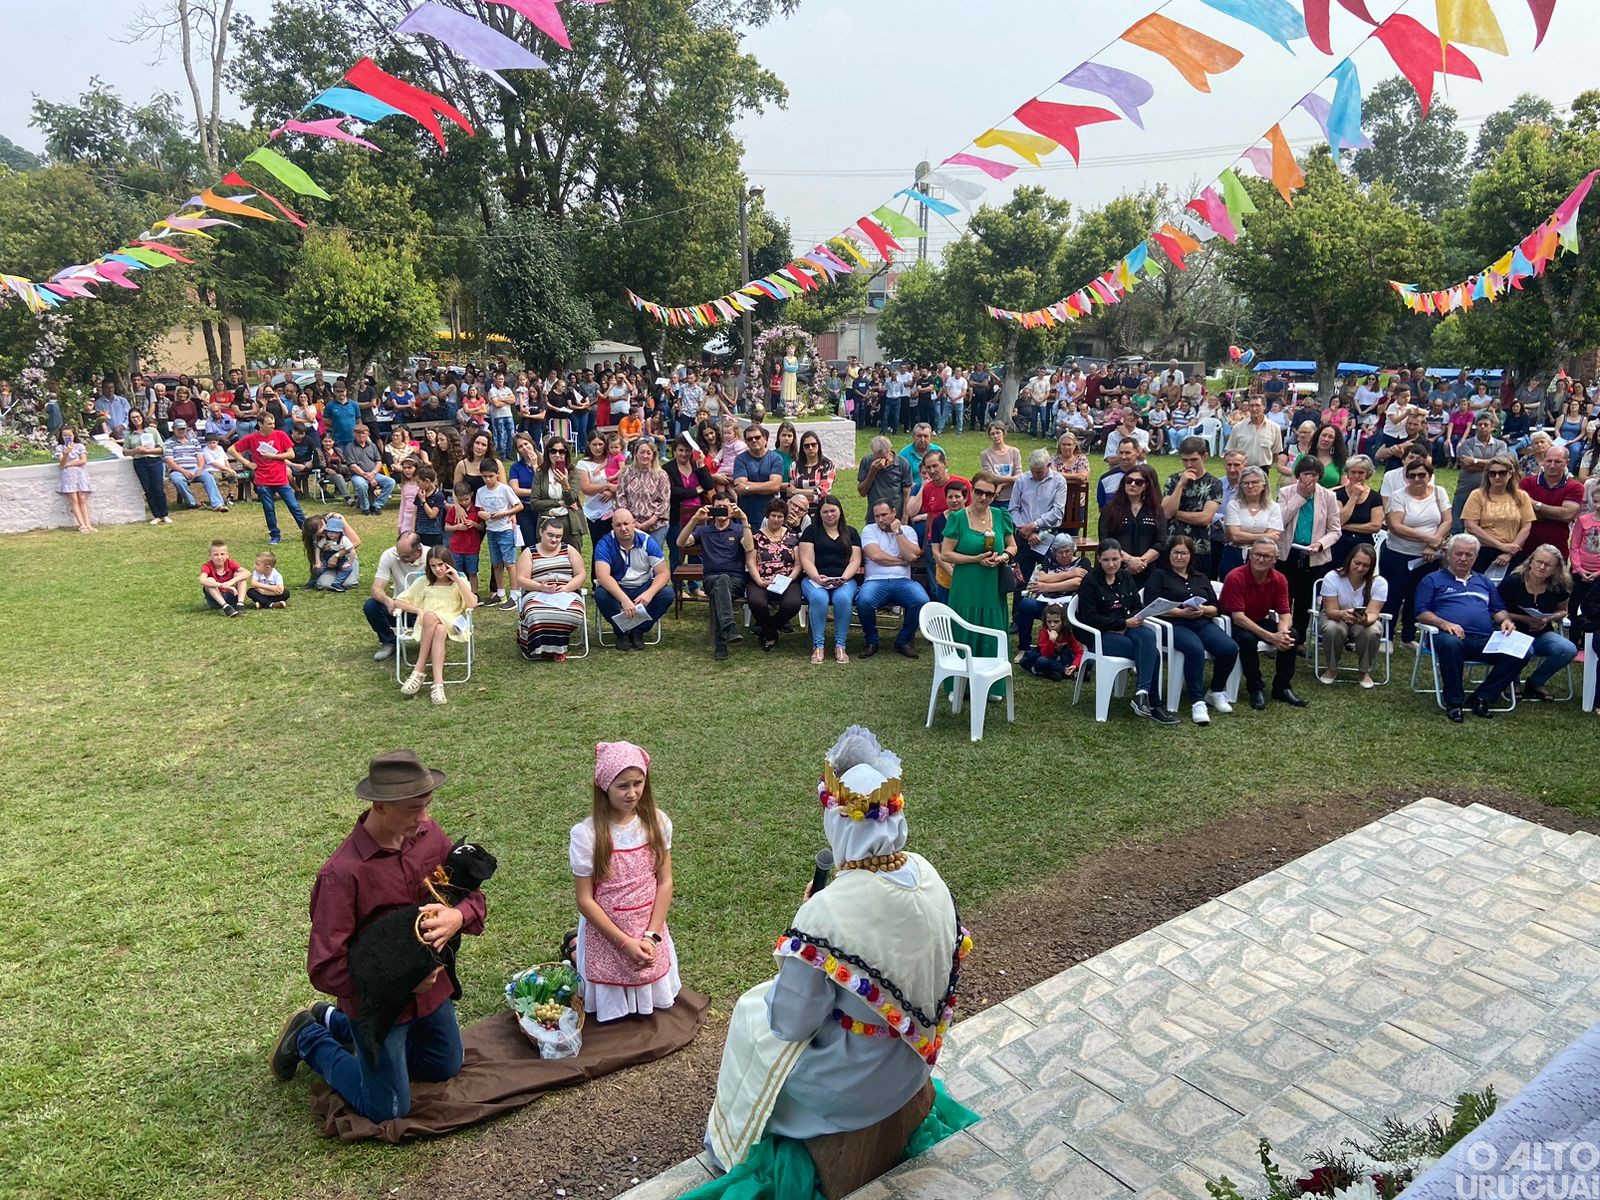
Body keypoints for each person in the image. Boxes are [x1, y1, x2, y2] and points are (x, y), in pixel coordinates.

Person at [702, 727, 969, 1175]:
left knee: (751, 1015)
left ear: (838, 821)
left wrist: (810, 917)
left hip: (856, 1084)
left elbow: (791, 1022)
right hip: (914, 1062)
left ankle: (728, 1147)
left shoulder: (825, 913)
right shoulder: (928, 873)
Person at [270, 750, 485, 1119]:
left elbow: (470, 897)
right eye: (413, 810)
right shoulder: (341, 874)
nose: (425, 818)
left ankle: (332, 1022)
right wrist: (396, 984)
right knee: (389, 1109)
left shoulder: (429, 835)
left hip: (432, 992)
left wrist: (456, 916)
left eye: (427, 805)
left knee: (445, 1066)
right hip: (379, 1007)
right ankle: (308, 1036)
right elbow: (324, 968)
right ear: (380, 806)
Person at [572, 741, 680, 1023]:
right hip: (609, 932)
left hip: (648, 925)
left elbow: (665, 882)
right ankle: (574, 949)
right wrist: (625, 944)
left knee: (649, 976)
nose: (632, 793)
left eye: (638, 783)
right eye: (622, 786)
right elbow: (585, 900)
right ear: (604, 786)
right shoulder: (587, 836)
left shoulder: (657, 823)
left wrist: (651, 937)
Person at [1414, 534, 1526, 722]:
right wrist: (1445, 624)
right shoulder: (1432, 580)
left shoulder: (1484, 582)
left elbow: (1497, 609)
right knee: (1452, 644)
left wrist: (1505, 621)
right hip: (1447, 636)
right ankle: (1454, 702)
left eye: (1469, 555)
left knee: (1522, 650)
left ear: (1475, 557)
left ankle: (1483, 696)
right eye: (1459, 554)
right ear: (1448, 555)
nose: (1463, 559)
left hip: (1483, 638)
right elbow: (1421, 612)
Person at [1076, 539, 1174, 724]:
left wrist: (1135, 618)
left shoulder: (1125, 577)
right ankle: (1154, 704)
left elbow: (1137, 605)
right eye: (1106, 560)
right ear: (1099, 559)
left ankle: (1142, 695)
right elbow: (1089, 618)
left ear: (1122, 557)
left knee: (1149, 636)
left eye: (1115, 559)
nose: (1111, 564)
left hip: (1126, 628)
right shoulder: (1090, 581)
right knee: (1153, 654)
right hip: (1100, 634)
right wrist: (1120, 623)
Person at [1142, 535, 1237, 724]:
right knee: (1194, 649)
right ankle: (1197, 701)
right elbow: (1150, 605)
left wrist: (1204, 610)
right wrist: (1179, 613)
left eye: (1183, 553)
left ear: (1190, 555)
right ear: (1168, 555)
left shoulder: (1200, 577)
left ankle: (1216, 690)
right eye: (1175, 553)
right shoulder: (1159, 576)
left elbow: (1217, 607)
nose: (1179, 557)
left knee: (1229, 648)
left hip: (1201, 621)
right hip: (1172, 625)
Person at [940, 470, 1018, 681]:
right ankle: (959, 682)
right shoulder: (957, 518)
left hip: (992, 587)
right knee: (963, 630)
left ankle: (992, 683)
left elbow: (1012, 546)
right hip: (966, 585)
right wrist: (975, 559)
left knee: (992, 630)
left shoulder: (1001, 516)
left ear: (995, 496)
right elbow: (946, 553)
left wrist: (1002, 558)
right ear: (971, 491)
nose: (983, 497)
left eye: (989, 494)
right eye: (979, 492)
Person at [1221, 538, 1308, 710]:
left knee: (1292, 636)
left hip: (1259, 619)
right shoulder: (1235, 577)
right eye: (1257, 555)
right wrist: (1271, 637)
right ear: (1250, 555)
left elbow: (1285, 612)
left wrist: (1282, 632)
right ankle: (1255, 687)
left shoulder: (1279, 579)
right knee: (1247, 640)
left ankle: (1282, 687)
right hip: (1233, 622)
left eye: (1266, 556)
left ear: (1275, 559)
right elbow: (1238, 617)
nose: (1261, 560)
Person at [395, 546, 478, 704]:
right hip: (428, 626)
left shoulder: (458, 582)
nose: (438, 569)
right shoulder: (424, 582)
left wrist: (457, 579)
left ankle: (418, 671)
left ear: (448, 563)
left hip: (452, 623)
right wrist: (418, 610)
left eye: (441, 564)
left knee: (433, 617)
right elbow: (398, 601)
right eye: (433, 565)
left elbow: (472, 604)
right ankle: (438, 685)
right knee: (437, 627)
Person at [1381, 458, 1450, 646]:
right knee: (1394, 595)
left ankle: (1409, 635)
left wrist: (1433, 545)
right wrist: (1428, 539)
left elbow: (1447, 521)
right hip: (1398, 554)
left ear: (1430, 475)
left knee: (1418, 595)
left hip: (1428, 557)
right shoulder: (1398, 496)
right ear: (1406, 477)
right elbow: (1396, 526)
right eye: (1412, 475)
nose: (1417, 479)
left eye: (1422, 475)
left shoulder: (1439, 492)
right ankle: (1386, 636)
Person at [1277, 456, 1343, 649]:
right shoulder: (1286, 492)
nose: (1309, 479)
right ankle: (1282, 635)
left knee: (1305, 598)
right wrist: (1300, 498)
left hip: (1313, 555)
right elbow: (1279, 520)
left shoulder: (1328, 497)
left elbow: (1335, 530)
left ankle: (1299, 641)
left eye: (1314, 475)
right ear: (1298, 475)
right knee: (1284, 597)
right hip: (1288, 553)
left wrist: (1321, 544)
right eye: (1306, 474)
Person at [1499, 544, 1576, 702]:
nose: (1542, 567)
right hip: (1513, 631)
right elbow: (1496, 610)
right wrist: (1523, 618)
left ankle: (1535, 682)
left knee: (1568, 649)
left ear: (1555, 569)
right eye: (1538, 561)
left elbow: (1562, 610)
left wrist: (1548, 618)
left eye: (1548, 565)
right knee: (1521, 648)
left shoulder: (1558, 585)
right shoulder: (1513, 581)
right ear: (1531, 562)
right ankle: (1511, 682)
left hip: (1541, 632)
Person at [679, 498, 754, 660]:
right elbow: (681, 542)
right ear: (711, 509)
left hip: (736, 581)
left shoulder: (739, 529)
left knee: (724, 581)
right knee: (721, 580)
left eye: (725, 507)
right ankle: (729, 628)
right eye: (718, 507)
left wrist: (744, 519)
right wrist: (694, 519)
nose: (721, 510)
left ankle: (722, 639)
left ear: (732, 509)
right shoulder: (703, 531)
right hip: (711, 579)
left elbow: (749, 548)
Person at [593, 508, 674, 649]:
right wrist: (624, 599)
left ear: (634, 523)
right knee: (601, 595)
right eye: (618, 525)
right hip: (618, 587)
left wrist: (649, 593)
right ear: (612, 526)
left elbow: (663, 573)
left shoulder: (647, 541)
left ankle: (638, 631)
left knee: (667, 594)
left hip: (643, 586)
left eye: (626, 523)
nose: (623, 528)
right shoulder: (604, 543)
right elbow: (602, 575)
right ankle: (621, 632)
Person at [856, 501, 927, 659]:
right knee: (864, 601)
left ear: (894, 513)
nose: (880, 519)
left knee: (921, 600)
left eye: (884, 515)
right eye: (877, 516)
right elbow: (876, 556)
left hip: (902, 581)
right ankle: (871, 641)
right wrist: (902, 561)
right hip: (875, 581)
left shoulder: (907, 530)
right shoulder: (869, 530)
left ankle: (903, 641)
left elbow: (913, 555)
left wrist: (898, 532)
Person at [798, 495, 862, 665]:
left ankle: (840, 645)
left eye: (833, 510)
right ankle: (818, 646)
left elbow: (855, 560)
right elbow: (806, 560)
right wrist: (817, 577)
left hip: (844, 579)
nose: (829, 514)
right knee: (819, 598)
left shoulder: (851, 532)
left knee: (842, 599)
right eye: (825, 511)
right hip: (814, 579)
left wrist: (844, 578)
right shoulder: (811, 532)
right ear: (819, 513)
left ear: (840, 511)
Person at [515, 514, 587, 662]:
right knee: (535, 612)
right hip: (537, 593)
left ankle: (555, 647)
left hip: (566, 593)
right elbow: (521, 579)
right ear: (541, 532)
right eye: (550, 535)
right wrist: (540, 587)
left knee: (573, 611)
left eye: (558, 536)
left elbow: (581, 574)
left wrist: (567, 588)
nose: (554, 540)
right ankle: (545, 648)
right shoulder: (529, 552)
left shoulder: (569, 550)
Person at [1317, 543, 1387, 687]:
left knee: (1373, 631)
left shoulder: (1379, 583)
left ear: (1372, 567)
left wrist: (1364, 620)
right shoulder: (1332, 577)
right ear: (1349, 560)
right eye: (1357, 563)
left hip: (1362, 620)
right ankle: (1332, 668)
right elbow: (1330, 611)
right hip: (1335, 616)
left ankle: (1364, 671)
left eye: (1366, 565)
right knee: (1332, 629)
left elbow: (1374, 613)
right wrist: (1343, 614)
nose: (1360, 568)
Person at [746, 498, 804, 652]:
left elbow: (798, 564)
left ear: (784, 518)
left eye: (780, 516)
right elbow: (751, 562)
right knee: (756, 603)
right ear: (767, 516)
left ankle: (768, 630)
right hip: (761, 579)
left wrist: (789, 579)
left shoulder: (792, 537)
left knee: (793, 605)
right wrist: (759, 581)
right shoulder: (756, 537)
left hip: (787, 579)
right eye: (773, 515)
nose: (776, 519)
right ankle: (771, 634)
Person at [1462, 455, 1533, 575]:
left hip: (1512, 552)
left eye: (1502, 473)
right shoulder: (1477, 495)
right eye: (1492, 473)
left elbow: (1526, 527)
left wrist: (1509, 552)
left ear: (1510, 474)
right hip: (1483, 551)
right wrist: (1501, 546)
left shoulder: (1522, 496)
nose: (1497, 477)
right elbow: (1470, 525)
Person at [364, 533, 426, 661]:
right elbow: (376, 588)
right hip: (400, 608)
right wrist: (387, 601)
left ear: (418, 550)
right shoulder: (389, 555)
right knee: (371, 606)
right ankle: (389, 641)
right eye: (398, 554)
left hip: (426, 610)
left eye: (406, 556)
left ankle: (433, 639)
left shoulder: (432, 556)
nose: (400, 559)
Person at [1098, 465, 1166, 582]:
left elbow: (1161, 541)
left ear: (1146, 486)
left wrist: (1141, 563)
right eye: (1129, 481)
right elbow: (1105, 539)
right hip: (1117, 569)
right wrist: (1129, 560)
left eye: (1138, 482)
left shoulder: (1156, 510)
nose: (1132, 484)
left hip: (1148, 569)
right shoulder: (1110, 509)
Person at [1162, 438, 1223, 566]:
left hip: (1199, 547)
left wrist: (1176, 513)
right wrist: (1180, 485)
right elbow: (1167, 513)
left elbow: (1205, 518)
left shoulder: (1214, 483)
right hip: (1172, 546)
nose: (1189, 465)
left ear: (1205, 456)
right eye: (1185, 460)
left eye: (1194, 460)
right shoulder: (1173, 480)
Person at [1010, 450, 1068, 577]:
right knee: (1021, 580)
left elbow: (1057, 512)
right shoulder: (1021, 480)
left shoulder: (1059, 481)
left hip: (1049, 536)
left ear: (1048, 465)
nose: (1035, 475)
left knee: (1049, 577)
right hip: (1023, 535)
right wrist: (1026, 531)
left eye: (1039, 472)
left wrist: (1035, 525)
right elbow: (1013, 509)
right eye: (1033, 471)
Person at [1522, 443, 1585, 559]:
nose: (1552, 465)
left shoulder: (1575, 487)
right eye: (1549, 461)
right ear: (1543, 461)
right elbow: (1521, 512)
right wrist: (1555, 513)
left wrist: (1536, 505)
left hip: (1557, 552)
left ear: (1567, 462)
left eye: (1557, 462)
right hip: (1524, 549)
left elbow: (1567, 515)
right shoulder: (1527, 483)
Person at [475, 458, 522, 610]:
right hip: (491, 530)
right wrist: (483, 515)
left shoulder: (504, 489)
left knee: (510, 563)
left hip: (505, 530)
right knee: (496, 563)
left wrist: (504, 513)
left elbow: (519, 506)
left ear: (497, 474)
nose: (488, 479)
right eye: (485, 476)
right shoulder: (481, 491)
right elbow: (479, 510)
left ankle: (515, 594)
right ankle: (500, 594)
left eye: (490, 476)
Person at [164, 420, 228, 512]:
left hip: (195, 468)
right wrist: (184, 471)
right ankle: (193, 502)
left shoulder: (194, 441)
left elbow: (200, 457)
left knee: (208, 478)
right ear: (173, 430)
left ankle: (218, 504)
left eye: (183, 429)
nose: (181, 431)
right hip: (177, 470)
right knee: (178, 480)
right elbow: (169, 461)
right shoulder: (168, 443)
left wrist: (200, 468)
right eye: (179, 429)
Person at [732, 424, 786, 530]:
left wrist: (747, 486)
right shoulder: (740, 459)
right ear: (746, 442)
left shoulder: (776, 458)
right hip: (746, 516)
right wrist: (767, 485)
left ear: (764, 438)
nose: (754, 440)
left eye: (757, 437)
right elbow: (739, 487)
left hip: (769, 517)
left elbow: (775, 486)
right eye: (749, 439)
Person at [614, 439, 670, 538]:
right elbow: (621, 497)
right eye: (642, 452)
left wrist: (650, 522)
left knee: (653, 554)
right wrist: (631, 520)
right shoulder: (626, 473)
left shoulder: (661, 475)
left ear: (653, 455)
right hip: (631, 524)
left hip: (656, 525)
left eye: (649, 453)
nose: (645, 456)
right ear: (636, 454)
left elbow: (664, 501)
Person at [123, 408, 171, 525]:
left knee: (158, 488)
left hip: (154, 460)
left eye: (137, 416)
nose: (136, 419)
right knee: (148, 489)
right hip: (140, 462)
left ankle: (164, 514)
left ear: (142, 416)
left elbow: (162, 449)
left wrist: (149, 450)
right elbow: (125, 451)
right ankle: (156, 515)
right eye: (133, 417)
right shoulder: (129, 435)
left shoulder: (152, 431)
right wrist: (135, 450)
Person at [856, 435, 913, 521]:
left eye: (885, 457)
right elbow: (862, 492)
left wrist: (905, 517)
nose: (882, 461)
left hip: (896, 516)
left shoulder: (903, 464)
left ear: (890, 450)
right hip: (875, 517)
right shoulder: (867, 461)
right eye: (877, 457)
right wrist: (872, 471)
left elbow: (907, 493)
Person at [445, 483, 483, 598]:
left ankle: (474, 594)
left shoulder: (477, 510)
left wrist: (474, 524)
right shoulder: (453, 510)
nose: (464, 502)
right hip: (456, 548)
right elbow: (446, 527)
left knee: (472, 572)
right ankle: (458, 593)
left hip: (472, 547)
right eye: (461, 500)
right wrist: (458, 527)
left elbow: (482, 527)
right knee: (457, 573)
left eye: (466, 499)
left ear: (471, 495)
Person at [1226, 397, 1284, 470]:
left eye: (1257, 405)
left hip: (1263, 470)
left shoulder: (1275, 428)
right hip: (1242, 469)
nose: (1254, 409)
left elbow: (1276, 453)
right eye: (1251, 406)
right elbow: (1230, 451)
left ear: (1264, 406)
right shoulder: (1238, 428)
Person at [308, 514, 362, 592]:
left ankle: (337, 582)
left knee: (349, 583)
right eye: (328, 531)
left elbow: (355, 545)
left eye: (334, 532)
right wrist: (318, 561)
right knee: (323, 583)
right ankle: (311, 582)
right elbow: (318, 548)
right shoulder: (324, 538)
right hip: (327, 560)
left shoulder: (343, 538)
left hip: (343, 559)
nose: (329, 534)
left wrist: (346, 561)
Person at [790, 431, 835, 516]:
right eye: (806, 446)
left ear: (819, 446)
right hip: (799, 513)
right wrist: (813, 493)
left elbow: (823, 493)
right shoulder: (794, 466)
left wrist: (796, 491)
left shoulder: (827, 465)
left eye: (813, 445)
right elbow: (790, 493)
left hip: (821, 512)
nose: (810, 448)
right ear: (802, 448)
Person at [199, 540, 248, 616]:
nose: (219, 557)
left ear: (227, 555)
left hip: (232, 596)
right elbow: (202, 580)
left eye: (222, 554)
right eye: (215, 554)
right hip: (216, 600)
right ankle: (226, 607)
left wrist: (231, 582)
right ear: (210, 556)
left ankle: (240, 604)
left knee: (240, 575)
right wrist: (221, 585)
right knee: (209, 580)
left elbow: (247, 572)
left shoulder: (230, 563)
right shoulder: (207, 566)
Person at [980, 423, 1022, 507]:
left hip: (1012, 497)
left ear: (1003, 433)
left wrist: (1002, 485)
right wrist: (1012, 479)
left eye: (998, 432)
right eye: (992, 434)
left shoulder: (1014, 452)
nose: (995, 436)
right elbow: (991, 477)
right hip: (994, 498)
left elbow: (1019, 476)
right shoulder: (985, 455)